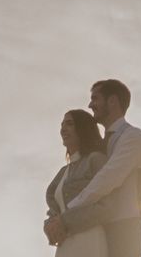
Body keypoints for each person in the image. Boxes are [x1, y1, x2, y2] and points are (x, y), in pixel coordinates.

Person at [46, 79, 141, 257]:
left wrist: (67, 214)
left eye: (95, 99)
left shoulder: (133, 137)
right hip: (102, 228)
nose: (90, 104)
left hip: (124, 228)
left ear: (112, 101)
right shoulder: (102, 145)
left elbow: (106, 180)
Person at [44, 109, 110, 256]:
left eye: (69, 124)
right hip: (64, 244)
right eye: (62, 125)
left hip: (89, 240)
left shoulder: (96, 159)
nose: (63, 129)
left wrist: (65, 221)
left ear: (82, 128)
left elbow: (107, 205)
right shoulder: (62, 172)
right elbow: (54, 212)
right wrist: (49, 226)